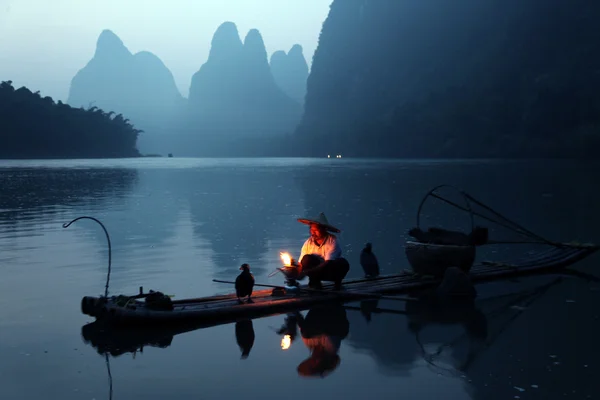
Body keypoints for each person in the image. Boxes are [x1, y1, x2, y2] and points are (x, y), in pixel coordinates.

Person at [293, 212, 350, 290]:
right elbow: (301, 263)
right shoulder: (308, 243)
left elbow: (328, 263)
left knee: (343, 263)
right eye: (311, 230)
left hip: (330, 271)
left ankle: (337, 285)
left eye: (316, 230)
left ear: (324, 229)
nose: (313, 233)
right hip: (315, 273)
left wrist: (308, 272)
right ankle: (315, 283)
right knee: (306, 259)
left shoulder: (332, 240)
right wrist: (295, 271)